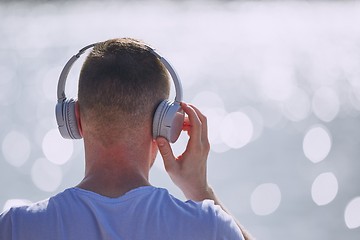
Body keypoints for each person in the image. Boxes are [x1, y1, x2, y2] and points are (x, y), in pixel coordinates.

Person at [0, 38, 252, 240]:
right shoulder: (210, 227)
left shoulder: (15, 227)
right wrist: (199, 190)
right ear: (164, 125)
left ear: (74, 119)